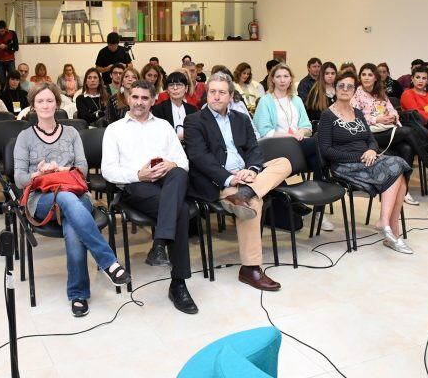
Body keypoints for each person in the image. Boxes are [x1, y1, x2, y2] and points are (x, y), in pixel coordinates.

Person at [14, 83, 131, 316]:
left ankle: (78, 295)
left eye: (49, 100)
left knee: (72, 224)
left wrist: (61, 169)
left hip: (77, 193)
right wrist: (39, 174)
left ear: (57, 103)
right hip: (41, 199)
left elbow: (83, 170)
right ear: (33, 106)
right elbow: (19, 179)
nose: (45, 105)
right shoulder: (24, 137)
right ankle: (108, 262)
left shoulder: (71, 133)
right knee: (66, 199)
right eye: (40, 101)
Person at [184, 72, 292, 289]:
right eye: (212, 92)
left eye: (221, 92)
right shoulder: (194, 121)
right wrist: (231, 178)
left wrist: (252, 170)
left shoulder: (241, 118)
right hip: (219, 180)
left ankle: (246, 192)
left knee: (284, 163)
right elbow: (199, 158)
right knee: (254, 203)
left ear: (231, 95)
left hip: (246, 176)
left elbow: (253, 148)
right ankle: (250, 269)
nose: (216, 97)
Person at [101, 80, 198, 314]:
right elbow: (108, 170)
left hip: (166, 183)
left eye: (145, 98)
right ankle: (178, 283)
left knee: (177, 172)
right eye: (135, 97)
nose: (139, 102)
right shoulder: (114, 130)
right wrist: (138, 174)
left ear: (154, 100)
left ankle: (160, 244)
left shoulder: (164, 126)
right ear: (127, 98)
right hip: (135, 186)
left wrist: (170, 164)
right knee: (181, 211)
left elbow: (183, 163)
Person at [318, 71, 414, 254]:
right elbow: (326, 151)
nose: (345, 89)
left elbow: (371, 140)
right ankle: (391, 231)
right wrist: (360, 157)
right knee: (397, 168)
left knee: (399, 168)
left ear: (355, 90)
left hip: (368, 159)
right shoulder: (327, 116)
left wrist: (371, 150)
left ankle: (388, 227)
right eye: (341, 85)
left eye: (350, 86)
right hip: (344, 165)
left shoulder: (359, 113)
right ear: (335, 88)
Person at [354, 63, 428, 203]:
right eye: (363, 74)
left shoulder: (380, 94)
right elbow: (355, 118)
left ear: (375, 77)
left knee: (407, 148)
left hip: (387, 129)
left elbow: (393, 110)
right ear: (359, 77)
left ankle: (403, 190)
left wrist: (392, 117)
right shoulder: (356, 95)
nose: (366, 78)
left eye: (370, 75)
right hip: (370, 135)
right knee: (407, 131)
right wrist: (378, 118)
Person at [253, 63, 323, 182]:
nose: (282, 80)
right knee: (320, 141)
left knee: (317, 155)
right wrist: (291, 136)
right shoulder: (265, 101)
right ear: (272, 79)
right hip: (276, 146)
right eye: (278, 76)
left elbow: (307, 126)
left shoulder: (297, 100)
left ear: (291, 79)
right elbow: (265, 132)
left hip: (298, 143)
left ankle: (318, 185)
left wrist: (301, 131)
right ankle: (321, 183)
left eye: (286, 76)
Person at [152, 71, 198, 139]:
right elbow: (158, 134)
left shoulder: (192, 109)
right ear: (167, 89)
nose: (175, 88)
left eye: (179, 85)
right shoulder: (158, 109)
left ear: (186, 88)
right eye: (171, 85)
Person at [0, 20, 19, 92]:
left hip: (10, 60)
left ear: (6, 28)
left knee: (13, 79)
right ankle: (4, 97)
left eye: (3, 31)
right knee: (2, 81)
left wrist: (6, 47)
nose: (1, 33)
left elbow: (16, 47)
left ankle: (14, 94)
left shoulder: (12, 33)